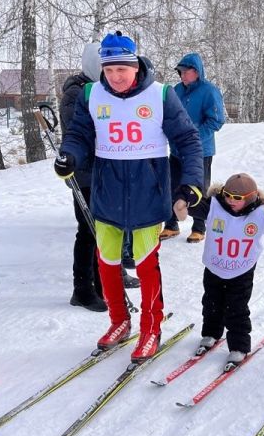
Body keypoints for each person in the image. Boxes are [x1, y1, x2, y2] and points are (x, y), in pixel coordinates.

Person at [55, 31, 204, 362]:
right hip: (107, 193)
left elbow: (189, 140)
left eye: (122, 69)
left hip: (148, 194)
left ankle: (151, 329)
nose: (116, 77)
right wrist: (69, 155)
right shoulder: (92, 94)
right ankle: (119, 321)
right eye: (109, 70)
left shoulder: (160, 95)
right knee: (107, 261)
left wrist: (191, 183)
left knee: (146, 265)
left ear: (135, 65)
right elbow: (79, 134)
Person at [173, 173, 264, 370]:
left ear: (251, 197)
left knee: (237, 308)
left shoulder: (259, 213)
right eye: (227, 195)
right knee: (211, 302)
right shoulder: (214, 207)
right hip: (214, 266)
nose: (230, 201)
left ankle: (239, 345)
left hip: (241, 270)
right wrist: (182, 201)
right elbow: (192, 202)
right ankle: (211, 333)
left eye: (237, 198)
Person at [59, 43, 106, 312]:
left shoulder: (99, 91)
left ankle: (101, 283)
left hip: (101, 171)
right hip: (84, 174)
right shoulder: (75, 94)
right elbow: (79, 135)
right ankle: (82, 289)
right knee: (88, 232)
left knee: (102, 230)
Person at [160, 53, 225, 243]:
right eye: (179, 72)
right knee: (171, 185)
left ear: (196, 72)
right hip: (176, 150)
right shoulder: (175, 91)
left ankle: (199, 227)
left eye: (185, 71)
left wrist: (194, 137)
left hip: (200, 151)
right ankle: (171, 225)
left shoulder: (209, 91)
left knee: (198, 188)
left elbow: (216, 120)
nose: (182, 75)